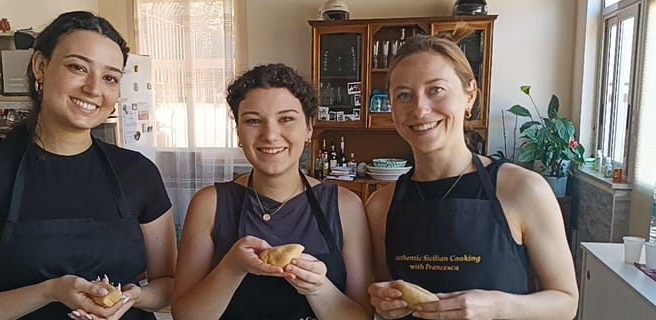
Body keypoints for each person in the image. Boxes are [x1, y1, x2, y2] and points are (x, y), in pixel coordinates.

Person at [0, 11, 176, 320]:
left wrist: (134, 297)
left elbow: (168, 284)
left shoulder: (138, 172)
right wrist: (50, 291)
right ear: (40, 66)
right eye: (78, 67)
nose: (94, 88)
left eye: (110, 78)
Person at [365, 33, 579, 319]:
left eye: (436, 90)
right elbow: (381, 291)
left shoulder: (523, 189)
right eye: (404, 95)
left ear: (470, 95)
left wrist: (498, 307)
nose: (420, 109)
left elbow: (566, 303)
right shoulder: (380, 206)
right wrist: (383, 302)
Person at [172, 64, 374, 319]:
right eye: (253, 121)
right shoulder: (209, 204)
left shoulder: (345, 206)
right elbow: (185, 315)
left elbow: (363, 315)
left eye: (286, 119)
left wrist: (318, 288)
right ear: (238, 132)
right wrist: (232, 268)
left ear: (309, 128)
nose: (270, 135)